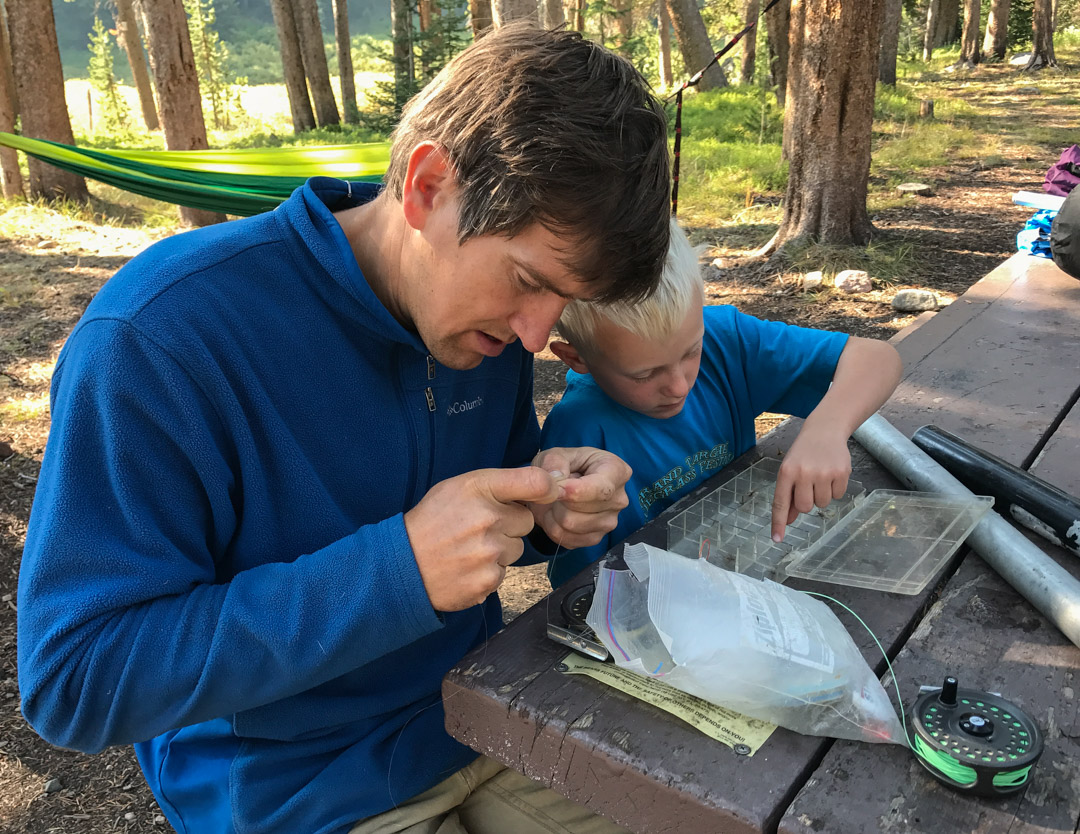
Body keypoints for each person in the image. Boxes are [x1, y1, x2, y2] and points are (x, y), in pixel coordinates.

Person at [17, 25, 670, 834]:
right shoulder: (162, 338)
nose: (539, 338)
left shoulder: (480, 318)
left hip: (479, 716)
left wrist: (548, 504)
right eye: (529, 284)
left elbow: (490, 491)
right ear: (429, 186)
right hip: (291, 787)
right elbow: (76, 680)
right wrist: (396, 573)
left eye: (561, 302)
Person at [541, 220, 903, 588]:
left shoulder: (725, 341)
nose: (679, 386)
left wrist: (826, 429)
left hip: (744, 570)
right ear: (577, 360)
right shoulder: (576, 435)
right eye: (643, 375)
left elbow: (876, 357)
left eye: (690, 351)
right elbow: (583, 587)